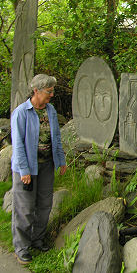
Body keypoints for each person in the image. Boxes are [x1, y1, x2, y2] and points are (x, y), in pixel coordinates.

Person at [10, 74, 67, 264]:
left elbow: (56, 138)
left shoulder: (50, 110)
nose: (51, 94)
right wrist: (24, 170)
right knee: (25, 208)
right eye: (48, 91)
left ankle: (37, 239)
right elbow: (18, 145)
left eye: (52, 91)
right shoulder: (21, 112)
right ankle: (21, 248)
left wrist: (61, 160)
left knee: (44, 205)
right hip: (26, 170)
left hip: (46, 166)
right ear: (36, 91)